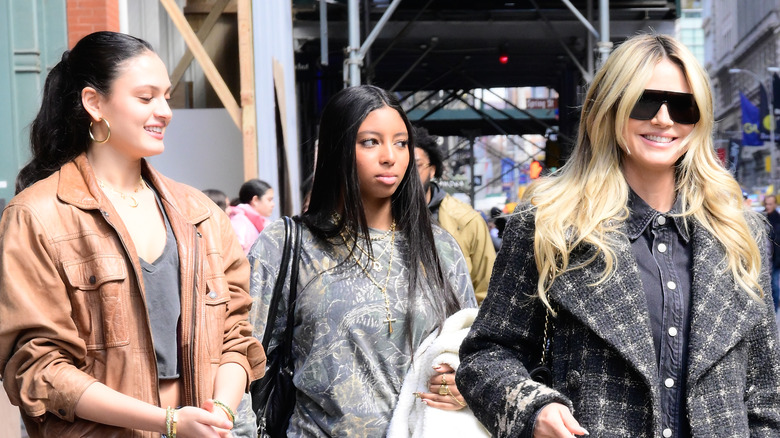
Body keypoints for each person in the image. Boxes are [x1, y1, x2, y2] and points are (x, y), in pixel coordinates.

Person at [457, 33, 780, 437]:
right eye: (646, 101)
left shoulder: (739, 232)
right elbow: (485, 355)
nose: (664, 119)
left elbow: (768, 394)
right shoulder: (549, 223)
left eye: (683, 106)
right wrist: (534, 408)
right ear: (610, 107)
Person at [0, 31, 264, 437]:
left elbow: (235, 334)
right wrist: (169, 423)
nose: (165, 111)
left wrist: (219, 412)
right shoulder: (36, 216)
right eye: (146, 98)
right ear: (94, 103)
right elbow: (39, 368)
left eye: (167, 97)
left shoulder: (201, 215)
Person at [248, 85, 477, 436]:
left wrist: (466, 385)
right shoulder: (288, 243)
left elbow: (473, 353)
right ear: (337, 150)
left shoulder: (440, 248)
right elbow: (243, 356)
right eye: (370, 142)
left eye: (401, 143)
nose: (391, 157)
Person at [413, 126, 496, 303]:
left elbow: (487, 290)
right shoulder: (379, 218)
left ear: (432, 169)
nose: (410, 173)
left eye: (417, 166)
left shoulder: (467, 220)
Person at [230, 179, 274, 254]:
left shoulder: (260, 222)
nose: (273, 204)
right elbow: (235, 254)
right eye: (269, 200)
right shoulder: (239, 220)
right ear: (255, 200)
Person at [764, 195, 780, 312]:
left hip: (776, 259)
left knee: (774, 285)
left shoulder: (778, 219)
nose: (767, 206)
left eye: (770, 204)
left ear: (775, 204)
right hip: (764, 258)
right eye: (766, 204)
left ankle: (774, 310)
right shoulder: (761, 218)